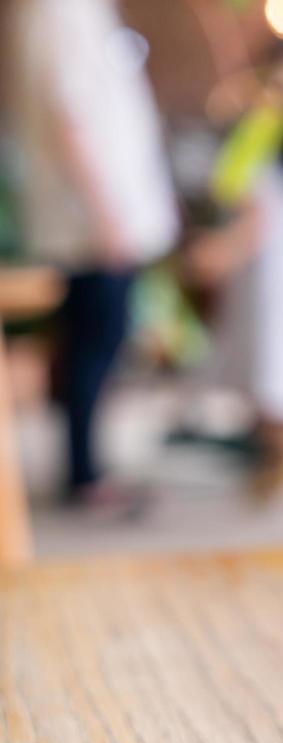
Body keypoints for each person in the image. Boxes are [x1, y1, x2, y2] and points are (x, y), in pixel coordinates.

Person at [4, 0, 179, 511]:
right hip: (90, 222)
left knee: (94, 342)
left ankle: (88, 469)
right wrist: (108, 217)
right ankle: (84, 475)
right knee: (93, 344)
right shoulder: (57, 13)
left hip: (95, 218)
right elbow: (71, 116)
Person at [201, 41, 283, 501]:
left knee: (272, 372)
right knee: (278, 370)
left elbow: (254, 218)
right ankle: (282, 458)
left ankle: (281, 463)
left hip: (269, 281)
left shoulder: (267, 141)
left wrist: (215, 254)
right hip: (278, 279)